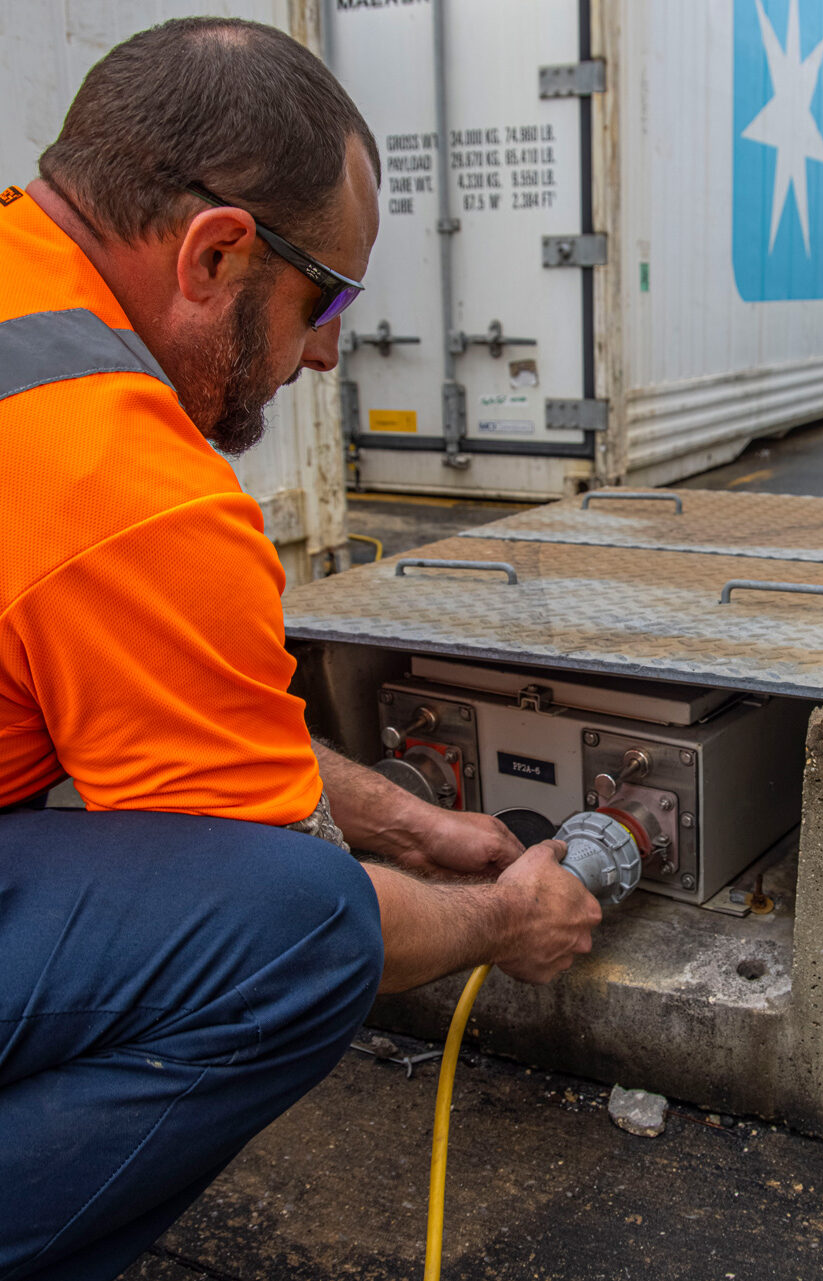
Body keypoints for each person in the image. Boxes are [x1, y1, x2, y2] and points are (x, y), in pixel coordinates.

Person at [0, 17, 601, 1279]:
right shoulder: (129, 482)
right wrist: (497, 916)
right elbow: (274, 894)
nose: (330, 346)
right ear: (217, 255)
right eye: (324, 295)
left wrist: (410, 823)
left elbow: (176, 709)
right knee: (302, 935)